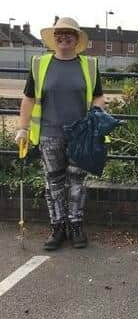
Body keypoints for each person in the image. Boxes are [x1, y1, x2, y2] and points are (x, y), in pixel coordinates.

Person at [15, 17, 105, 251]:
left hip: (80, 135)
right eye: (59, 34)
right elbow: (28, 98)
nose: (63, 38)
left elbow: (97, 95)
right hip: (49, 133)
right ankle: (58, 226)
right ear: (54, 39)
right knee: (53, 182)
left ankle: (75, 225)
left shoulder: (90, 65)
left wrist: (97, 111)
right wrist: (22, 128)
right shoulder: (40, 64)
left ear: (77, 40)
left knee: (77, 182)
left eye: (69, 34)